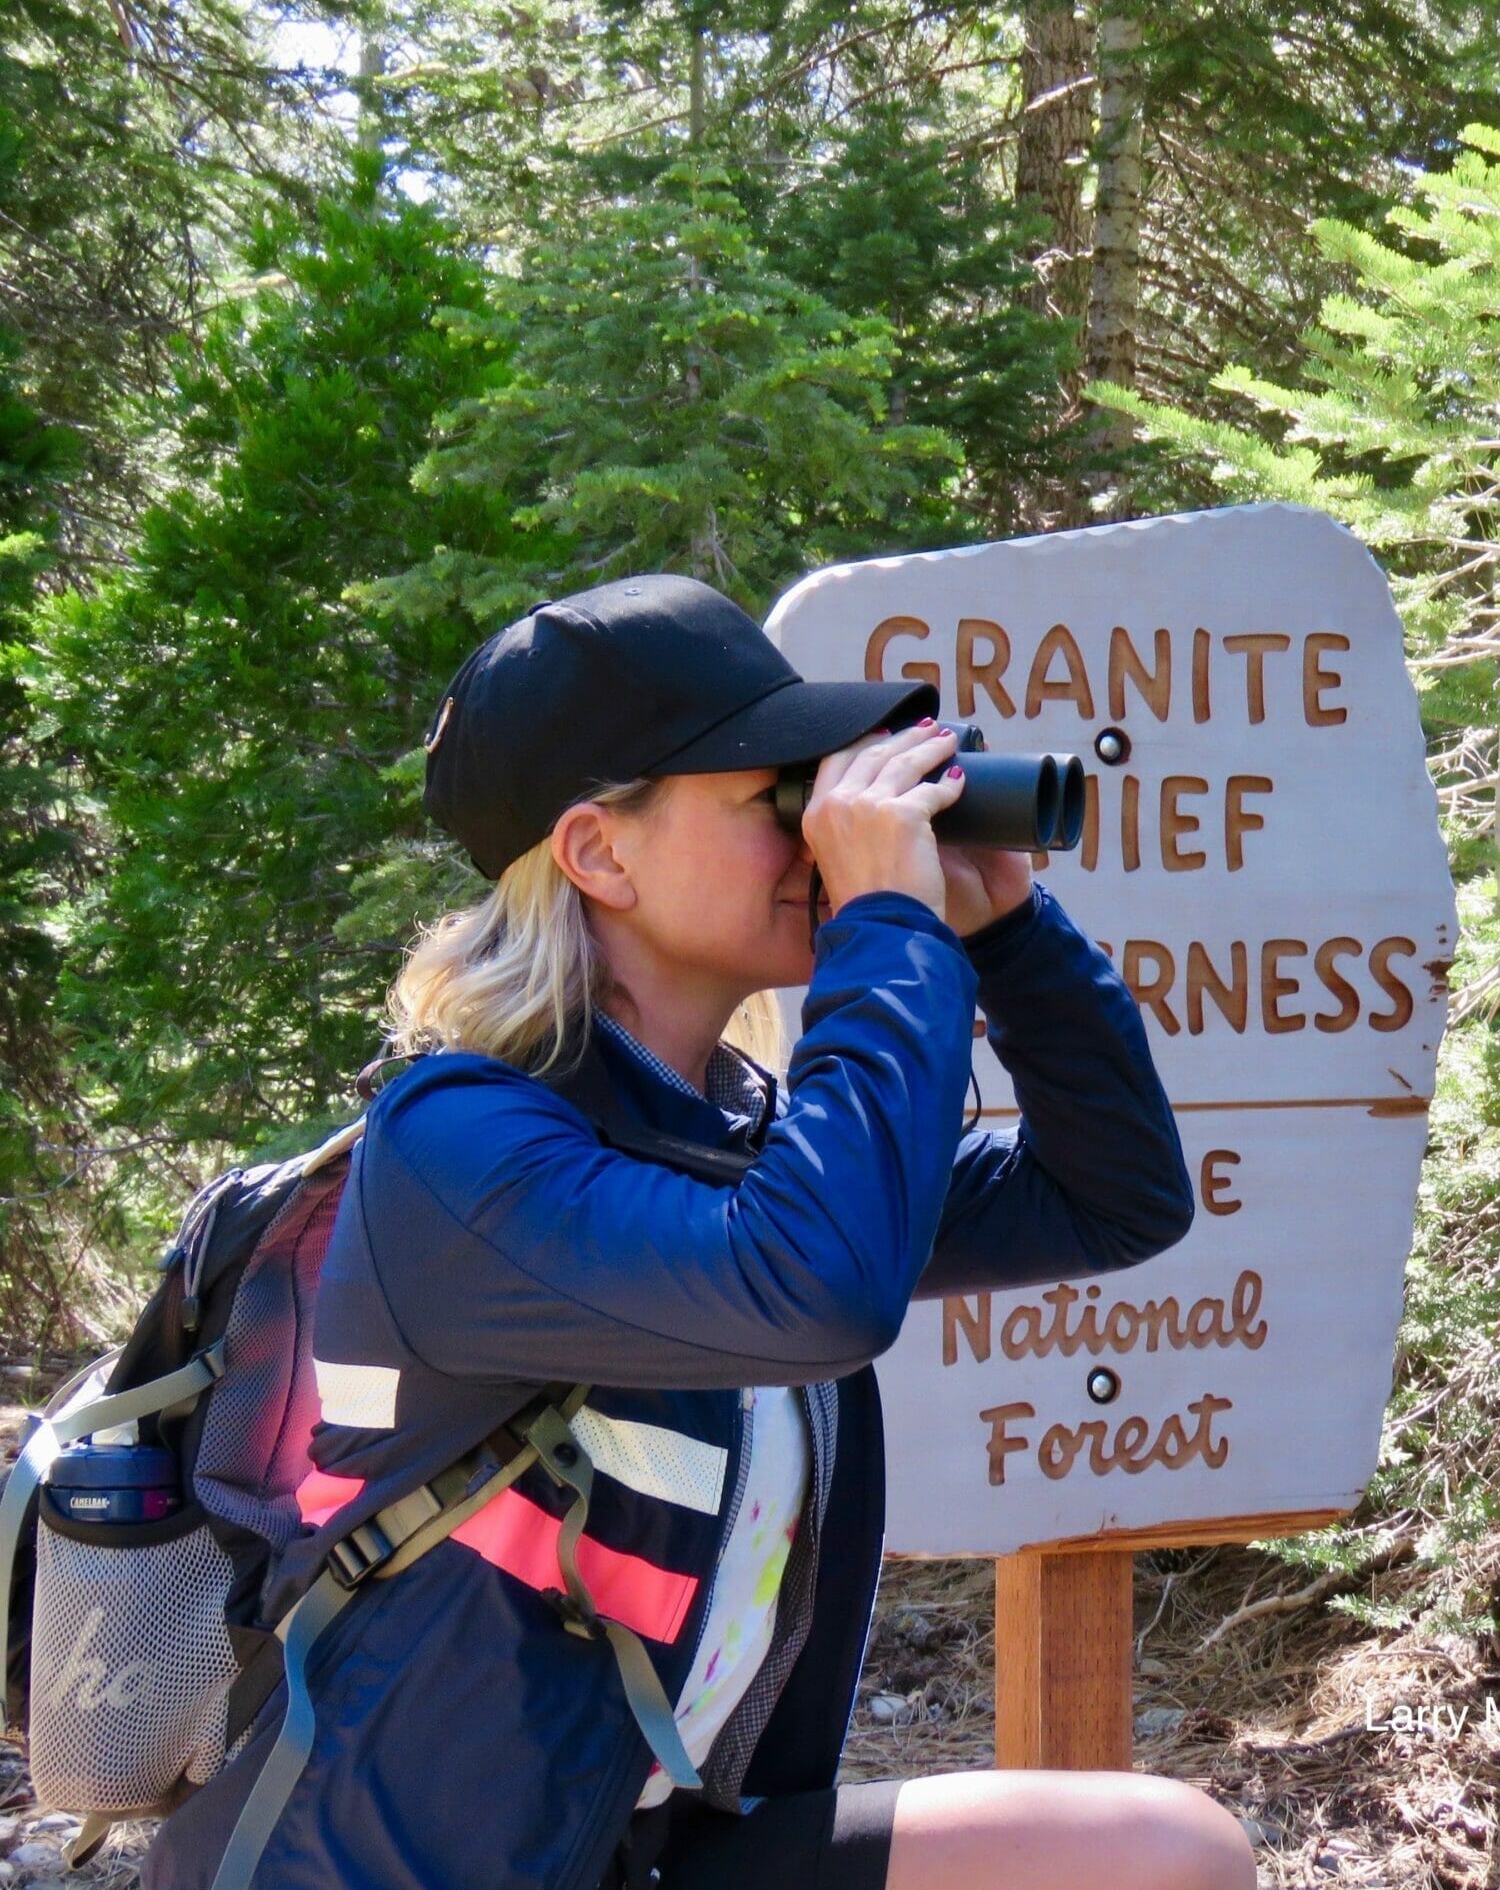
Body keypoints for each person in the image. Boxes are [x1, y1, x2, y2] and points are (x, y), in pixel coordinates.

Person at [145, 576, 1252, 1890]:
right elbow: (815, 1292)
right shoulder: (456, 1148)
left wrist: (1005, 930)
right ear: (599, 855)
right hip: (405, 1867)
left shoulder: (737, 1133)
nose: (819, 839)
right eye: (775, 799)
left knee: (1161, 1854)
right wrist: (889, 923)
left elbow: (1111, 1197)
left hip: (650, 1850)